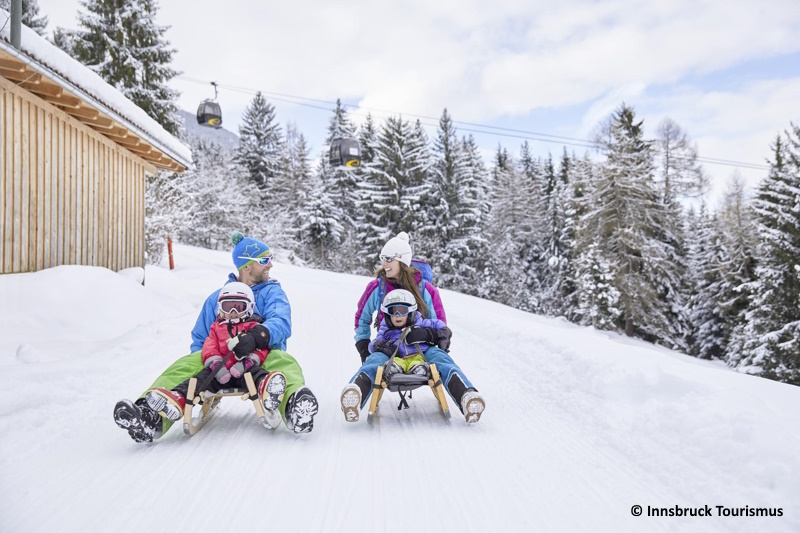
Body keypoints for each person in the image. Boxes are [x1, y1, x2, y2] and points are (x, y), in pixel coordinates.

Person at [113, 232, 319, 442]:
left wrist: (257, 337)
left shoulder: (272, 293)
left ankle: (295, 408)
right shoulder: (218, 298)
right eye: (264, 260)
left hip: (261, 355)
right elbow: (201, 337)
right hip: (219, 361)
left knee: (285, 362)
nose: (270, 265)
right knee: (184, 365)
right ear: (247, 266)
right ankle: (150, 415)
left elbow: (281, 322)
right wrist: (205, 367)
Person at [347, 232, 485, 423]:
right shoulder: (377, 287)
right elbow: (362, 319)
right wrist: (364, 347)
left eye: (388, 259)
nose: (383, 264)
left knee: (442, 360)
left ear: (401, 260)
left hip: (421, 347)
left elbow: (440, 325)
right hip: (389, 347)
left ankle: (467, 396)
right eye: (382, 258)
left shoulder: (425, 289)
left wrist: (428, 334)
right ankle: (354, 396)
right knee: (374, 363)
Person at [142, 282, 288, 429]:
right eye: (227, 307)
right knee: (200, 379)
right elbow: (209, 346)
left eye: (239, 307)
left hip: (246, 371)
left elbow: (263, 349)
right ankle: (178, 398)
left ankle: (268, 390)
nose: (232, 312)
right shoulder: (216, 328)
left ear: (249, 308)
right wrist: (216, 364)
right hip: (219, 373)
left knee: (258, 374)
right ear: (220, 308)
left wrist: (249, 362)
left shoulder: (253, 328)